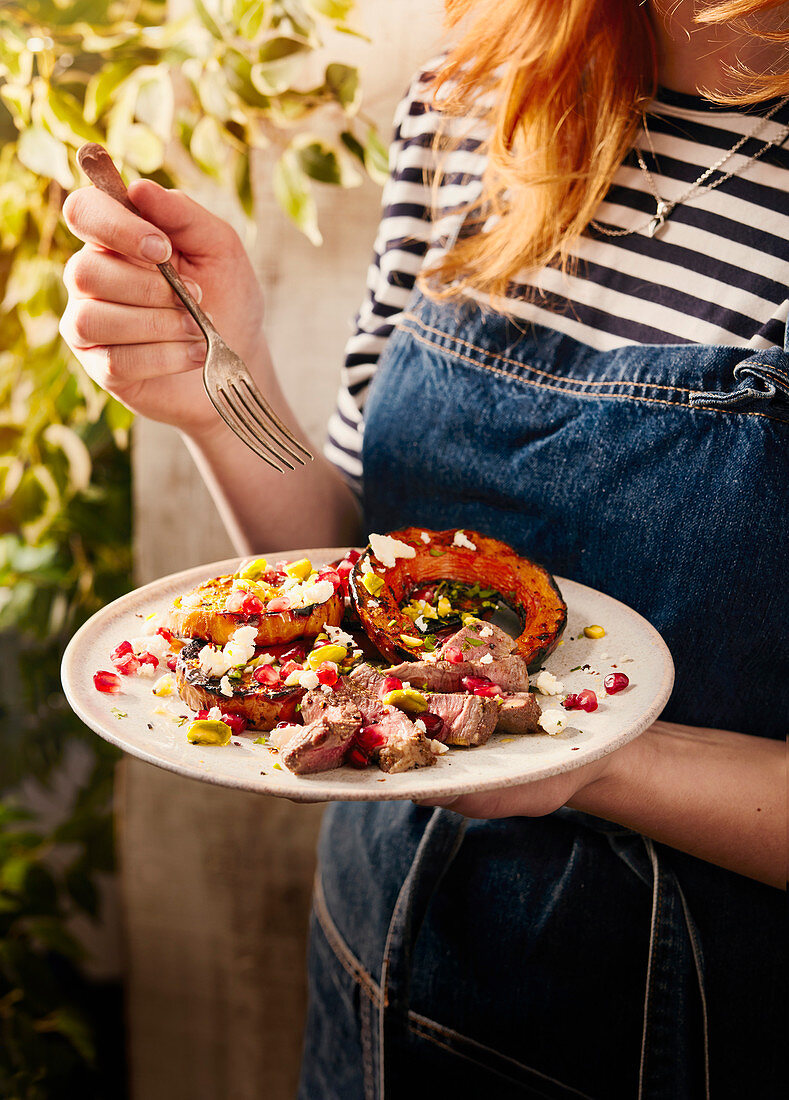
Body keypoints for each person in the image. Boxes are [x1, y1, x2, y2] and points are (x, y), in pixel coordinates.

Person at [60, 1, 787, 1096]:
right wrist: (223, 387)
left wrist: (586, 757)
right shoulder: (476, 97)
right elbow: (360, 573)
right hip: (369, 987)